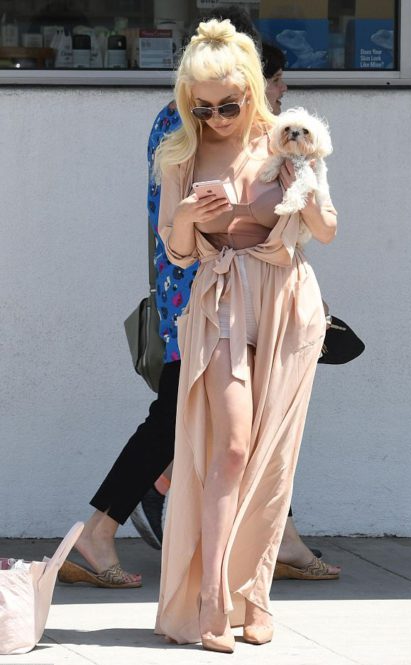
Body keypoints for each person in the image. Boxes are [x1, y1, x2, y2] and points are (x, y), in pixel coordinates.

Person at [57, 15, 338, 592]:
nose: (279, 92)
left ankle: (267, 540)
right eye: (275, 79)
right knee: (183, 419)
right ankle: (105, 528)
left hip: (228, 290)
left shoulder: (261, 133)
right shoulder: (182, 127)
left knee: (234, 425)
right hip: (198, 293)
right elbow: (173, 224)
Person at [153, 18, 337, 652]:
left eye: (227, 105)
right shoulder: (180, 152)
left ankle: (254, 596)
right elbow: (178, 254)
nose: (216, 119)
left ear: (252, 90)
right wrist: (186, 215)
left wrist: (300, 190)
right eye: (202, 108)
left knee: (273, 458)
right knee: (231, 449)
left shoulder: (287, 140)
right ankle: (210, 598)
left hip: (286, 303)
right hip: (220, 304)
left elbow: (327, 229)